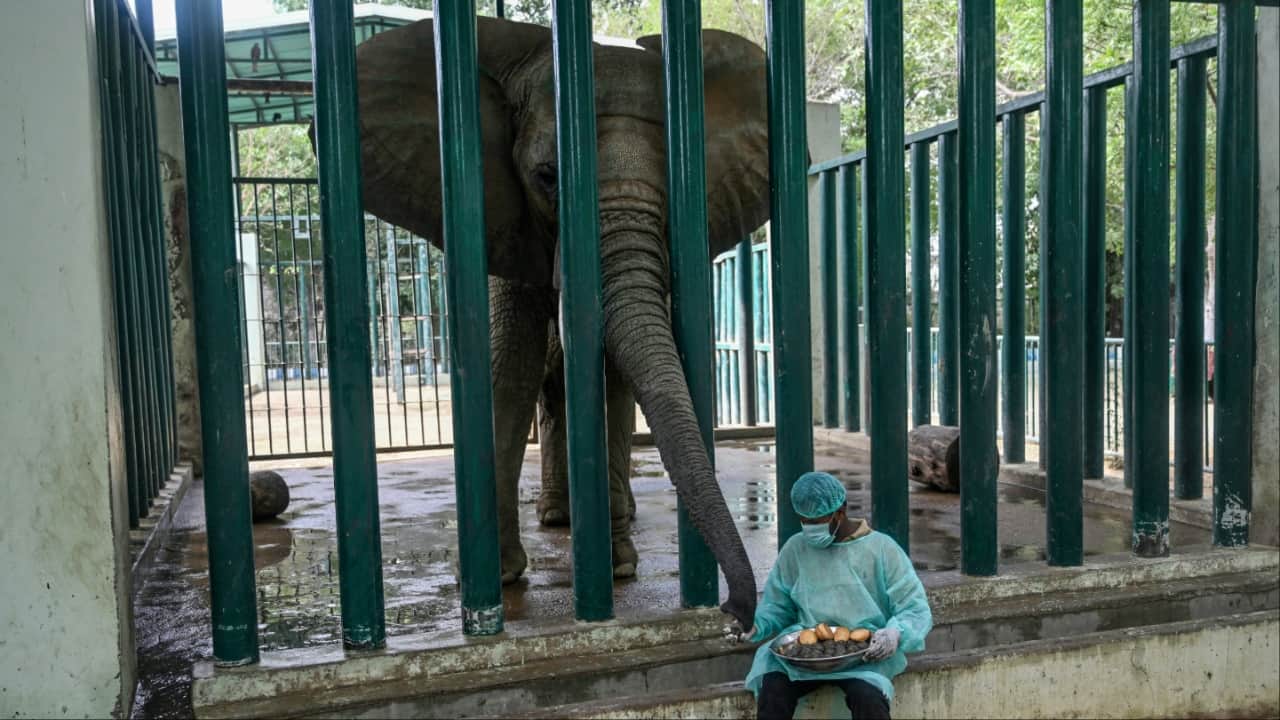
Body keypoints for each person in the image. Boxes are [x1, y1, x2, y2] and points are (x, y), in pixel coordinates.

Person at [741, 471, 932, 720]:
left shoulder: (882, 549)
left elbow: (914, 607)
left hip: (865, 654)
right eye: (804, 521)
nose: (809, 529)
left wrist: (896, 633)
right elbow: (778, 606)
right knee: (773, 689)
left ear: (840, 511)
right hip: (805, 652)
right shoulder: (796, 548)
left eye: (816, 521)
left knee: (867, 697)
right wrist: (755, 626)